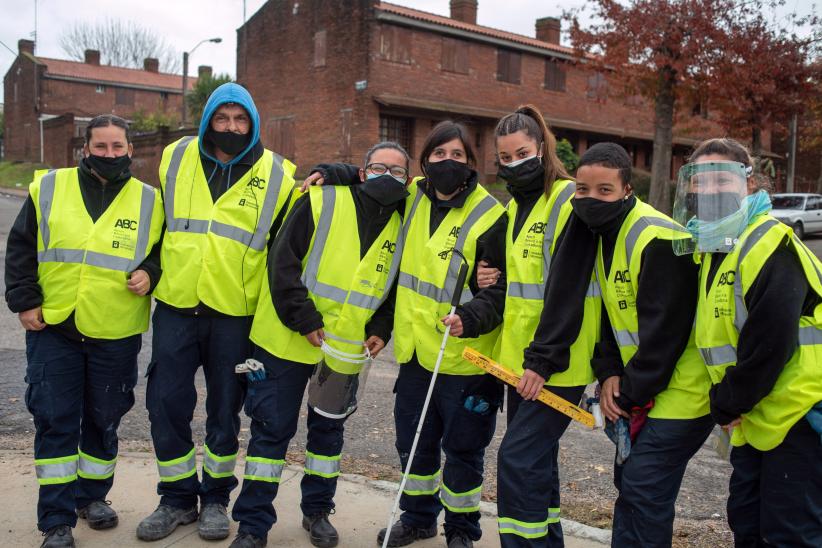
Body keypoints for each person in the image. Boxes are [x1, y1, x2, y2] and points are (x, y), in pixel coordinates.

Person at [530, 142, 714, 547]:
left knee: (644, 488)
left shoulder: (658, 238)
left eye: (604, 190)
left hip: (684, 390)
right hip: (647, 387)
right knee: (630, 486)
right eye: (582, 190)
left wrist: (628, 394)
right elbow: (614, 316)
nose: (591, 199)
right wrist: (609, 370)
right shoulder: (603, 233)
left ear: (628, 190)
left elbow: (666, 335)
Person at [228, 142, 410, 548]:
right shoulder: (322, 199)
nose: (388, 177)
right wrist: (304, 318)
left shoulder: (404, 222)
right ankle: (253, 525)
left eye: (398, 172)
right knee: (270, 433)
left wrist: (382, 326)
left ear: (408, 181)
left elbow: (394, 288)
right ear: (362, 172)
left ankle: (317, 512)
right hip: (286, 339)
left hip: (345, 349)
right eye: (379, 168)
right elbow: (282, 261)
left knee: (327, 437)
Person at [137, 83, 297, 542]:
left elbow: (288, 245)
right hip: (177, 303)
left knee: (226, 407)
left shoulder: (279, 175)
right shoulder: (176, 156)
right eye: (222, 119)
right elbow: (159, 224)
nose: (230, 128)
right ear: (208, 120)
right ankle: (176, 497)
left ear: (253, 124)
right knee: (165, 400)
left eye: (240, 120)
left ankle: (214, 500)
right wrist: (150, 268)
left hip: (235, 311)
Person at [5, 114, 164, 548]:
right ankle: (55, 521)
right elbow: (21, 246)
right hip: (54, 324)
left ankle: (92, 497)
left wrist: (151, 272)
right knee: (55, 419)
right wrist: (24, 299)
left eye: (117, 147)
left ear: (130, 150)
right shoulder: (50, 187)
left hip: (115, 329)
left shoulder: (151, 201)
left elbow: (164, 253)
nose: (109, 155)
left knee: (103, 418)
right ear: (85, 149)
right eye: (101, 147)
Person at [675, 138, 821, 546]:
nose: (709, 189)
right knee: (747, 524)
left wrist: (727, 402)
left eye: (721, 178)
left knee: (790, 534)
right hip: (757, 417)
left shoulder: (768, 241)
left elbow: (770, 340)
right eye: (698, 180)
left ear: (749, 183)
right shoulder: (716, 247)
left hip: (798, 415)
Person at [483, 106, 601, 547]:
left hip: (554, 364)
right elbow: (524, 280)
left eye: (523, 153)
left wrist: (543, 362)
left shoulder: (568, 200)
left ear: (543, 148)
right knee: (536, 461)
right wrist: (490, 276)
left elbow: (566, 290)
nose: (515, 163)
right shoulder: (517, 206)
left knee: (517, 461)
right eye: (506, 157)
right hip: (523, 363)